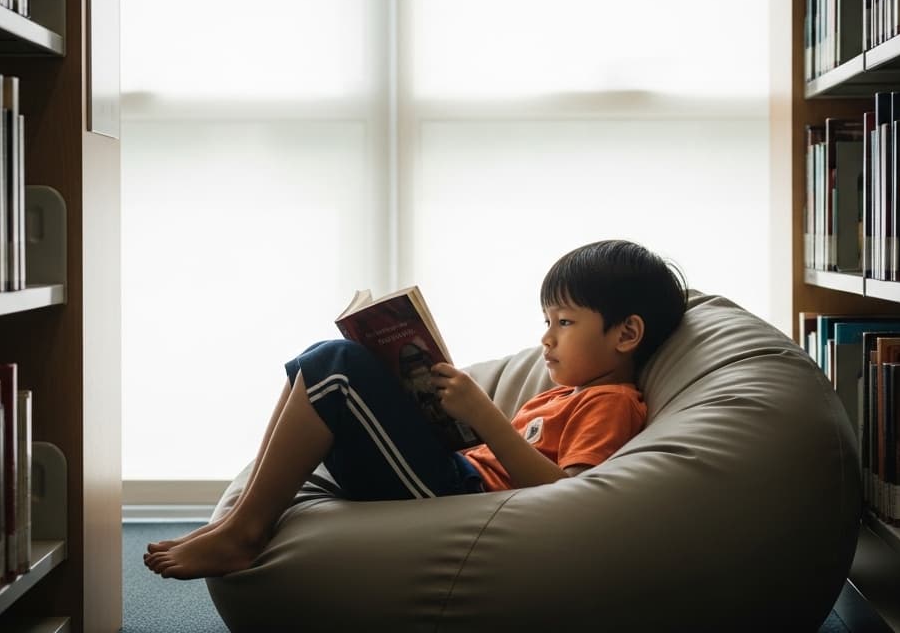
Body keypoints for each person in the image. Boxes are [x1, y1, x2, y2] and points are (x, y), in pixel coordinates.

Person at [143, 239, 687, 579]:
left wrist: (483, 414)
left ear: (627, 333)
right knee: (315, 361)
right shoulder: (562, 393)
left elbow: (570, 497)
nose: (546, 339)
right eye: (546, 321)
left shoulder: (611, 402)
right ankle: (242, 518)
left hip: (459, 499)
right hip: (451, 476)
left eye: (564, 323)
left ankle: (244, 534)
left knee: (337, 365)